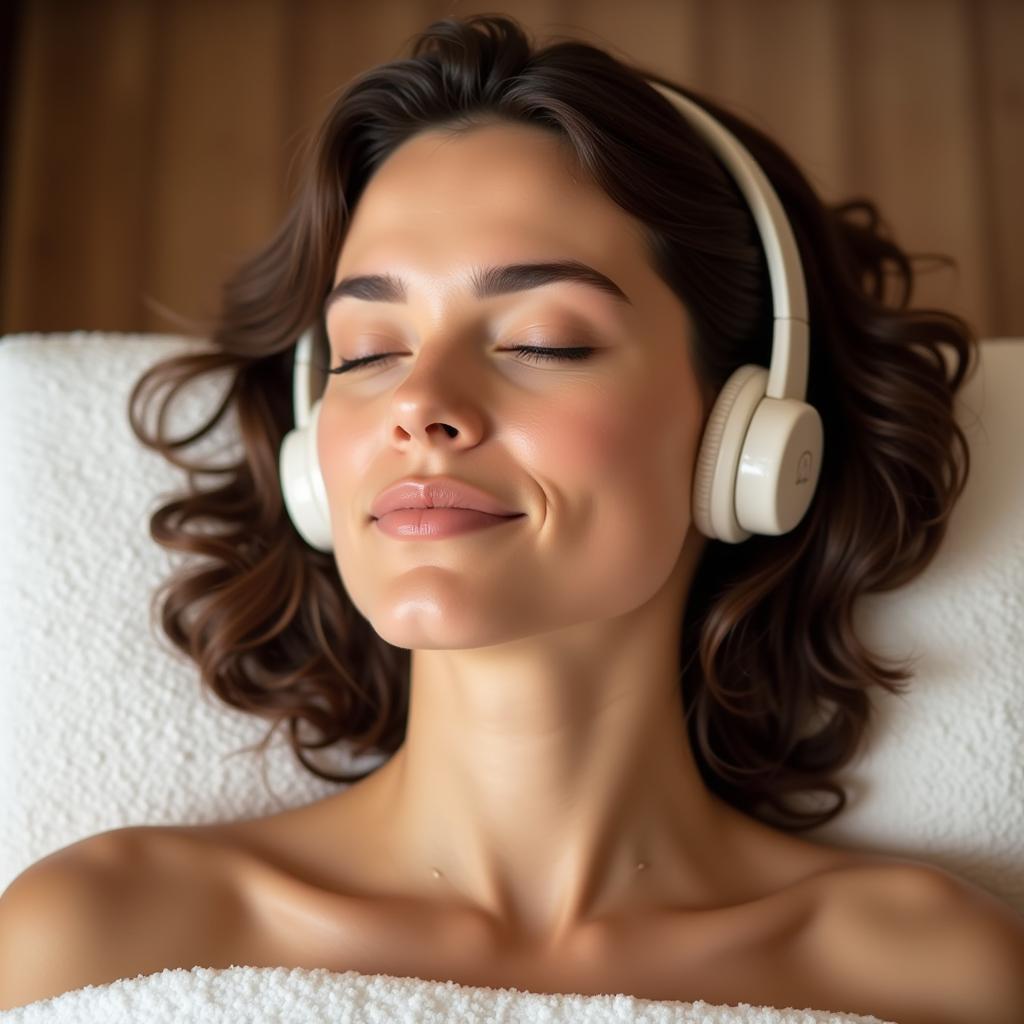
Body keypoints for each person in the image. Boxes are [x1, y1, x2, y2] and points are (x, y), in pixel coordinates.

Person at [2, 12, 1022, 1021]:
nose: (418, 405)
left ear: (750, 439)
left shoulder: (933, 974)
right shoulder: (96, 941)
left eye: (541, 339)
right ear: (315, 453)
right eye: (366, 350)